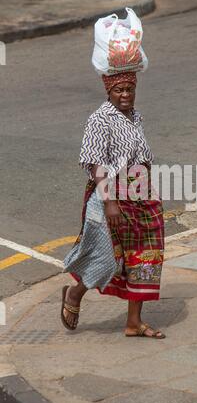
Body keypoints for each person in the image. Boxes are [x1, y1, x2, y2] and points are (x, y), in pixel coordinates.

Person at [62, 71, 165, 339]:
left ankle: (134, 322)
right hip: (112, 194)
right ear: (109, 92)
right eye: (119, 90)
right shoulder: (99, 119)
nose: (125, 95)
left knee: (145, 254)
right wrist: (110, 203)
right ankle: (75, 292)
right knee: (108, 257)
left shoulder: (135, 116)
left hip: (141, 194)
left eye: (129, 89)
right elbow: (96, 164)